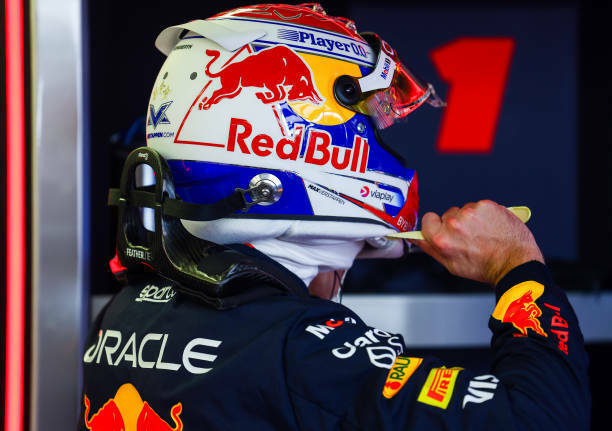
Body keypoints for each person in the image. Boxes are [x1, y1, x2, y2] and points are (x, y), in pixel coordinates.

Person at [79, 3, 590, 430]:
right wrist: (516, 264)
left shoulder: (125, 314)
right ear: (302, 136)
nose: (376, 138)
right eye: (369, 121)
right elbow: (542, 417)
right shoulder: (298, 351)